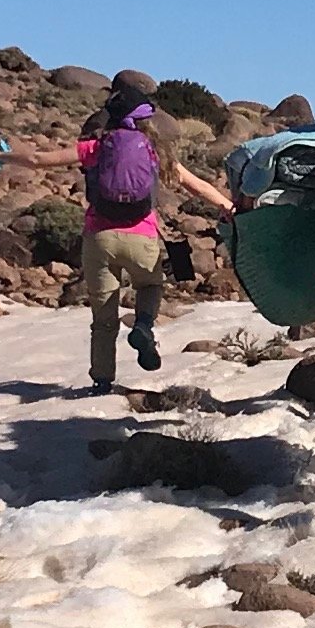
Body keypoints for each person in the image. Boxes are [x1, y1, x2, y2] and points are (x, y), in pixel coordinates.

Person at [74, 72, 231, 390]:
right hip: (141, 237)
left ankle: (102, 383)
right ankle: (143, 325)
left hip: (99, 238)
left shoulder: (97, 147)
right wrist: (230, 208)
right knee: (150, 286)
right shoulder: (154, 152)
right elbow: (197, 186)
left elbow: (38, 158)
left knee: (103, 319)